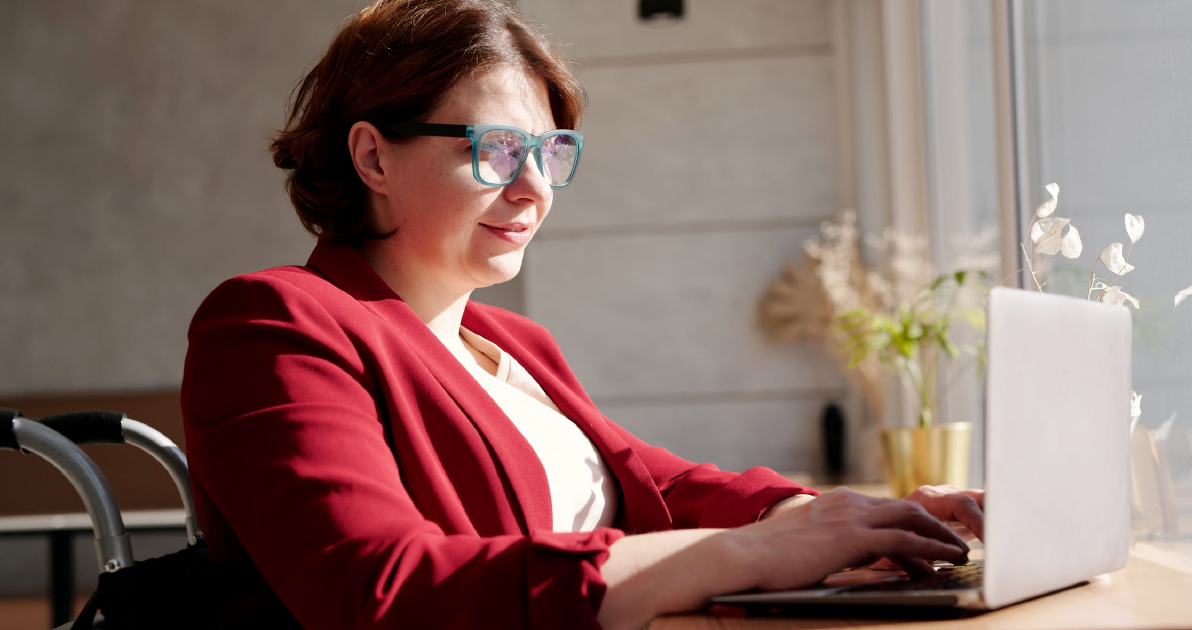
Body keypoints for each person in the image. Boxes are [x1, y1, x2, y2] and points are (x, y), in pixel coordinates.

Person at [180, 1, 985, 629]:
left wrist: (829, 517)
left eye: (550, 152)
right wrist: (744, 552)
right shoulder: (274, 323)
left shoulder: (509, 343)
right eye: (494, 149)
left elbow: (658, 483)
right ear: (372, 156)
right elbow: (383, 593)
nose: (532, 186)